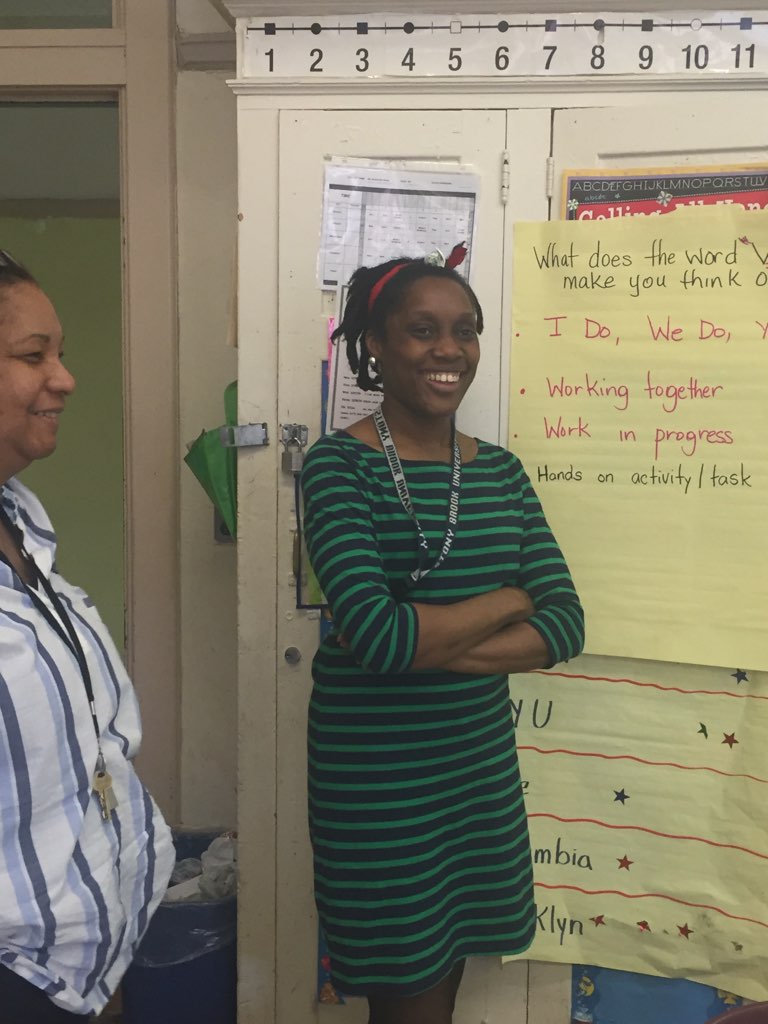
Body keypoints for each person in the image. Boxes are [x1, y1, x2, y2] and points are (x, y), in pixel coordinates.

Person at [301, 248, 585, 1024]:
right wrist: (510, 595)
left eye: (465, 330)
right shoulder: (335, 468)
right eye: (421, 330)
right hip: (379, 785)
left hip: (476, 775)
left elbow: (564, 626)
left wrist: (423, 638)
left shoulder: (501, 473)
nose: (447, 349)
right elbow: (383, 639)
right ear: (375, 347)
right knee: (406, 988)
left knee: (448, 969)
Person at [0, 249, 174, 1020]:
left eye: (59, 353)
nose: (64, 378)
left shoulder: (23, 525)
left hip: (85, 969)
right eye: (33, 356)